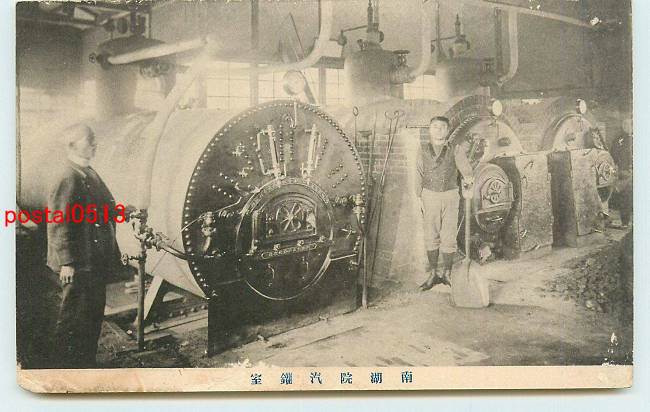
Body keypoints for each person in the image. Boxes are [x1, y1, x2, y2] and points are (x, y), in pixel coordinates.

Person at [47, 124, 121, 368]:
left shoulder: (87, 172)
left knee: (92, 315)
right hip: (78, 264)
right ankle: (63, 368)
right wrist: (67, 262)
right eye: (89, 140)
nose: (94, 144)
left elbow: (104, 207)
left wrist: (124, 211)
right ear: (72, 145)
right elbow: (59, 223)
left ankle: (85, 363)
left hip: (93, 260)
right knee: (74, 317)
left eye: (94, 139)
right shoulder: (67, 177)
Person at [416, 116, 474, 291]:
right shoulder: (422, 149)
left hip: (450, 196)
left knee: (448, 237)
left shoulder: (456, 149)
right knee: (431, 236)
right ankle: (433, 273)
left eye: (442, 127)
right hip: (429, 196)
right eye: (435, 126)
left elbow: (467, 172)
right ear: (430, 130)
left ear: (448, 130)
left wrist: (468, 182)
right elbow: (418, 173)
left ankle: (447, 273)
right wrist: (419, 197)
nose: (439, 130)